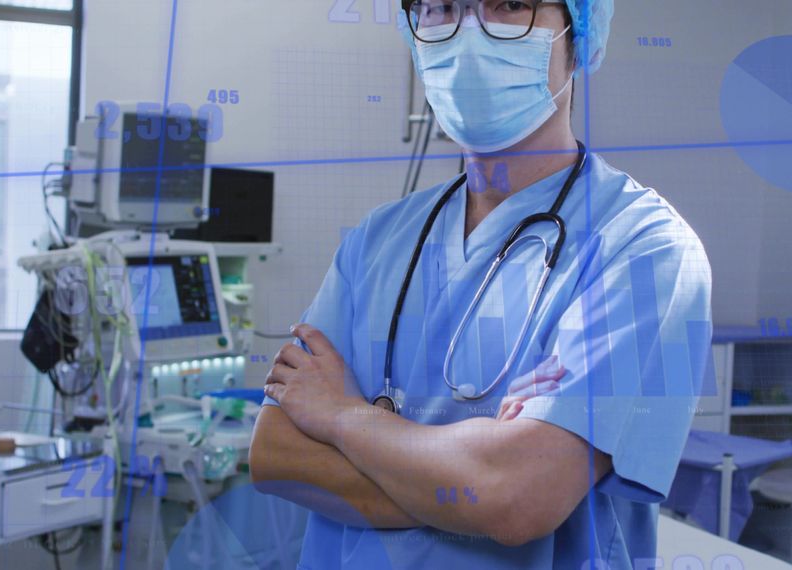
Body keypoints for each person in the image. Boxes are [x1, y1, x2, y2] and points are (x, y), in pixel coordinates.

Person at [250, 1, 712, 568]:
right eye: (441, 7)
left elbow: (516, 498)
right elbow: (275, 456)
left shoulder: (645, 250)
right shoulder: (376, 241)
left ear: (579, 36)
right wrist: (472, 482)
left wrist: (342, 417)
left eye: (510, 4)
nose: (469, 34)